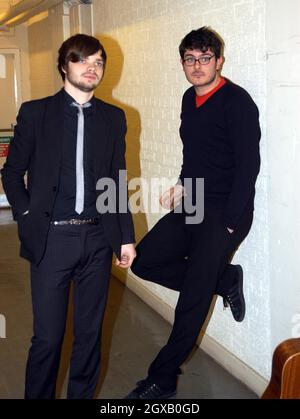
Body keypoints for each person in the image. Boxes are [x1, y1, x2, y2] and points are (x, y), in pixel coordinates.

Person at [125, 27, 260, 399]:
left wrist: (232, 222)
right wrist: (184, 183)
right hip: (195, 200)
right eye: (190, 59)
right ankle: (224, 280)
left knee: (192, 299)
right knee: (144, 262)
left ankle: (162, 377)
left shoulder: (237, 102)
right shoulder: (189, 98)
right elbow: (195, 152)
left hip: (225, 212)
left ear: (219, 61)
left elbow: (249, 165)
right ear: (183, 63)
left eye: (205, 58)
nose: (197, 66)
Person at [1, 34, 136, 399]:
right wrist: (28, 214)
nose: (91, 69)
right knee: (48, 337)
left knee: (90, 336)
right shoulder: (35, 113)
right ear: (64, 65)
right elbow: (11, 173)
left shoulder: (113, 118)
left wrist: (125, 236)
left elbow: (116, 181)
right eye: (82, 61)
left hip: (96, 240)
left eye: (98, 63)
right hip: (52, 240)